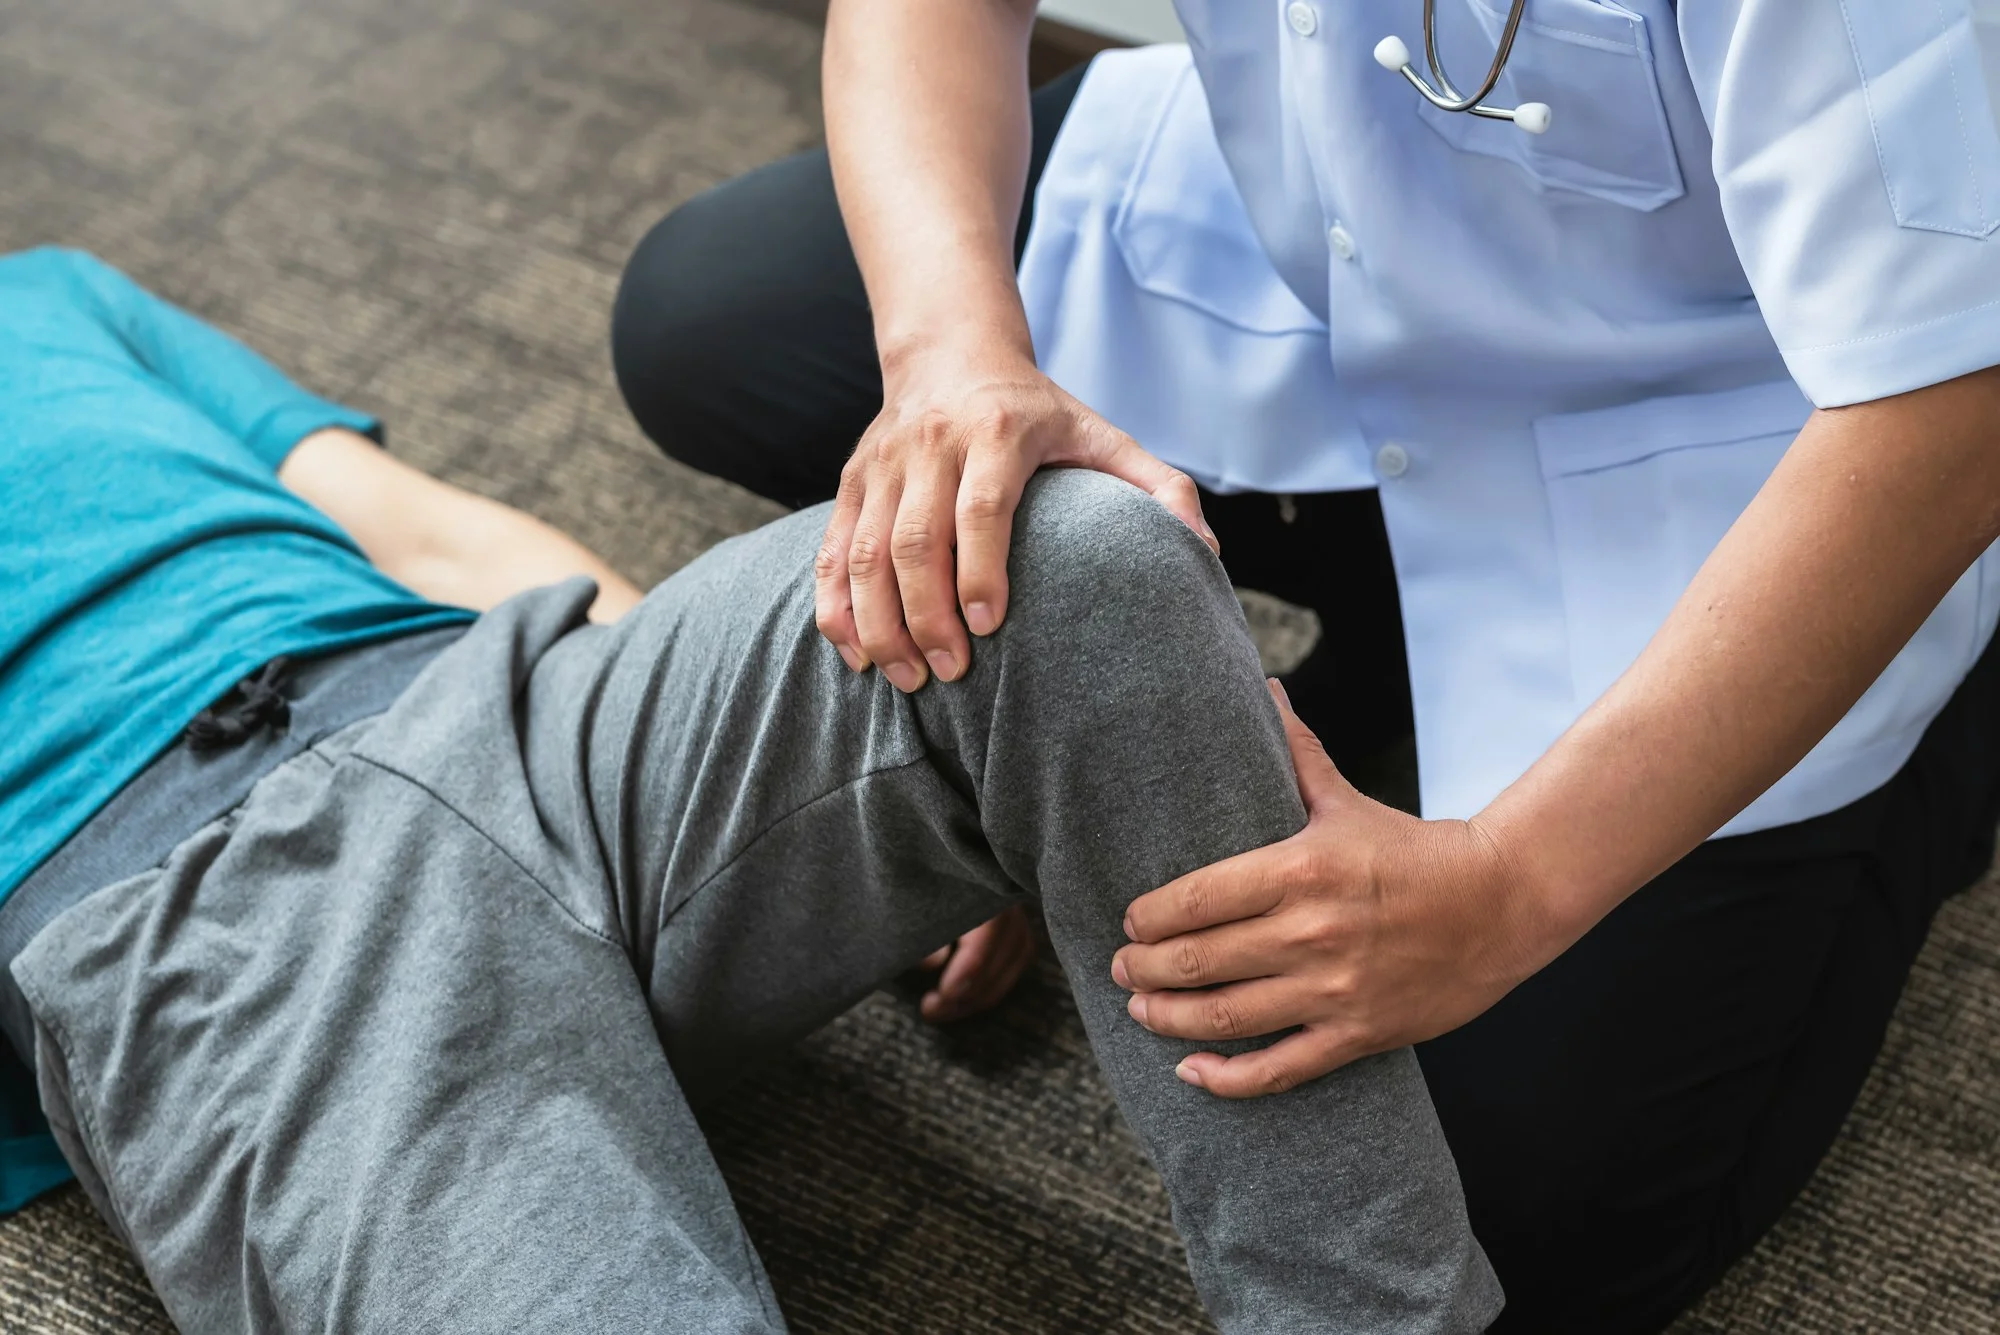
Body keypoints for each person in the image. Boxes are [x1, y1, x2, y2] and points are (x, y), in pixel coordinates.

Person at [607, 2, 2000, 1329]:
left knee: (1498, 1228)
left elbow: (1957, 398)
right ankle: (1380, 623)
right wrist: (953, 362)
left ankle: (1944, 734)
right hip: (1308, 239)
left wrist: (1506, 888)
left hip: (1754, 431)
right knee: (709, 321)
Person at [0, 245, 1504, 1332]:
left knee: (1064, 547)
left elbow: (424, 531)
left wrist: (847, 749)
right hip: (196, 910)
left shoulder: (52, 293)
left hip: (517, 706)